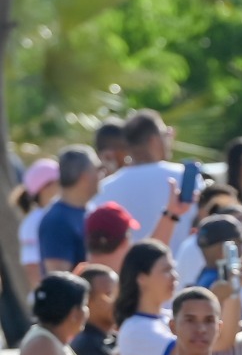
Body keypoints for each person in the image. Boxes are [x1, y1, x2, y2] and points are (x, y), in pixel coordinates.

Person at [97, 110, 194, 243]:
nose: (169, 138)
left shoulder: (103, 188)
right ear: (153, 140)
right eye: (165, 134)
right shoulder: (184, 177)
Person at [14, 272, 88, 355]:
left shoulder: (50, 340)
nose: (87, 311)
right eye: (85, 304)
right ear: (74, 313)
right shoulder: (43, 346)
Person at [113, 240, 179, 355]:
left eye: (173, 269)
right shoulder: (135, 328)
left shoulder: (168, 316)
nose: (174, 276)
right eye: (166, 270)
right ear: (141, 278)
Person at [40, 145, 102, 273]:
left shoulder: (88, 210)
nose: (101, 175)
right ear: (85, 176)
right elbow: (58, 277)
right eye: (97, 169)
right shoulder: (57, 221)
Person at [18, 156, 61, 287]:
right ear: (44, 187)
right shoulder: (33, 222)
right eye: (59, 181)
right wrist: (46, 295)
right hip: (50, 295)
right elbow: (32, 268)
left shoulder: (56, 214)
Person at [71, 265, 120, 355]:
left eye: (119, 294)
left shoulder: (116, 338)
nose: (118, 301)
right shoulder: (86, 346)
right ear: (86, 300)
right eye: (109, 294)